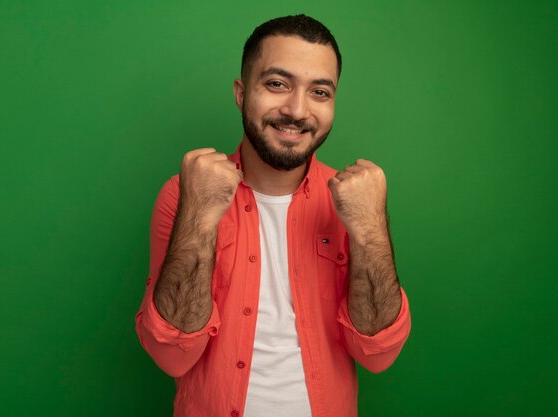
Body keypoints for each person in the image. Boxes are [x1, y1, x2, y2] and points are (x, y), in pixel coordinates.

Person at [135, 14, 411, 417]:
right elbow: (171, 354)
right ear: (241, 93)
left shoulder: (355, 200)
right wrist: (198, 215)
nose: (297, 110)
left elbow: (378, 353)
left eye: (320, 91)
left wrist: (370, 231)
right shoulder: (183, 194)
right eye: (277, 84)